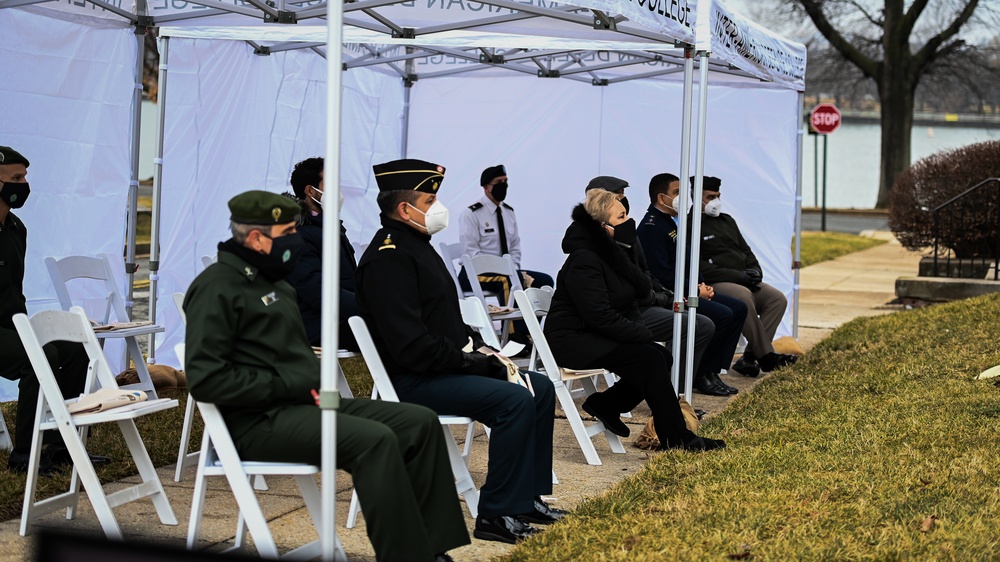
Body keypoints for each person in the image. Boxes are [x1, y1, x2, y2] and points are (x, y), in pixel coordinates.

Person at [183, 190, 469, 562]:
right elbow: (206, 379)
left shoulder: (275, 283)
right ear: (255, 238)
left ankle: (432, 548)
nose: (295, 241)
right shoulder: (217, 287)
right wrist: (286, 385)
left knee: (419, 421)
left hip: (308, 404)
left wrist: (312, 389)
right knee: (375, 440)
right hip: (258, 421)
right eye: (287, 232)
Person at [355, 159, 562, 545]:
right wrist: (476, 364)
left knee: (540, 387)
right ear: (405, 209)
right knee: (514, 400)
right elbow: (411, 346)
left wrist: (482, 348)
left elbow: (441, 319)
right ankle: (496, 516)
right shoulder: (390, 257)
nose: (438, 207)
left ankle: (524, 501)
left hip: (441, 367)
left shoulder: (415, 245)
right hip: (414, 378)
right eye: (430, 199)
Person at [543, 188, 726, 452]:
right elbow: (599, 316)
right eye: (621, 217)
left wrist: (641, 334)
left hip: (594, 333)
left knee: (661, 357)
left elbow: (627, 303)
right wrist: (643, 335)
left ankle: (607, 404)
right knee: (651, 357)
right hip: (572, 340)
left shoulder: (613, 253)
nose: (629, 222)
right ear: (602, 227)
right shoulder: (585, 259)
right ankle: (676, 437)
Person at [0, 146, 107, 475]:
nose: (23, 184)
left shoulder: (17, 229)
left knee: (75, 350)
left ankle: (62, 447)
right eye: (16, 178)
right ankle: (24, 456)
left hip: (12, 325)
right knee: (41, 356)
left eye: (25, 177)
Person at [584, 176, 721, 400]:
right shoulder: (591, 246)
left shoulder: (626, 235)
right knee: (689, 326)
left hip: (639, 306)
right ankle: (669, 396)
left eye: (623, 197)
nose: (624, 202)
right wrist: (669, 297)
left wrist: (670, 298)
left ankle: (677, 392)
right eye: (618, 197)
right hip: (623, 314)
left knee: (701, 323)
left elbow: (646, 276)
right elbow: (611, 296)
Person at [637, 173, 751, 394]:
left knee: (738, 308)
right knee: (723, 314)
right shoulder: (651, 227)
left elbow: (688, 260)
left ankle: (711, 370)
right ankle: (701, 373)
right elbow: (662, 274)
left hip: (689, 288)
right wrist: (694, 290)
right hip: (673, 294)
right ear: (662, 198)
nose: (682, 198)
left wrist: (702, 284)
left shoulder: (670, 221)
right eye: (676, 193)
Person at [697, 176, 796, 374]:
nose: (715, 201)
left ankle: (750, 357)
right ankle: (766, 357)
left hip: (743, 281)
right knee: (743, 296)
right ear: (696, 197)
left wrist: (755, 271)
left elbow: (745, 251)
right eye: (710, 197)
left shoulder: (727, 221)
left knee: (776, 299)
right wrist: (738, 276)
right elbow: (698, 266)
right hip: (714, 283)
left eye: (718, 196)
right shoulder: (690, 224)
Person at [458, 165, 554, 327]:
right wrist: (510, 273)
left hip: (507, 271)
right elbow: (472, 253)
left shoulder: (508, 212)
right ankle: (514, 336)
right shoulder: (471, 214)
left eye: (505, 181)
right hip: (473, 274)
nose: (504, 185)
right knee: (507, 281)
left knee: (544, 281)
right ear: (487, 187)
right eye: (499, 182)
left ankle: (531, 330)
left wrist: (515, 270)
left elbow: (515, 247)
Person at [285, 156, 358, 350]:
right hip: (318, 327)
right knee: (392, 332)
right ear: (310, 191)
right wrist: (366, 307)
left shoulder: (325, 225)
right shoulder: (298, 234)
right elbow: (316, 292)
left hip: (339, 317)